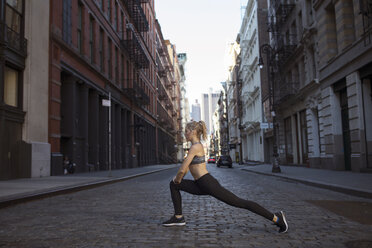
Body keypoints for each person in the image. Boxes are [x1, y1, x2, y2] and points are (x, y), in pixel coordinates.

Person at [162, 121, 288, 233]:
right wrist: (178, 180)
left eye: (187, 131)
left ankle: (277, 218)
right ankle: (178, 217)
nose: (185, 134)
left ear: (193, 131)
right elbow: (185, 169)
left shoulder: (195, 147)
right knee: (173, 185)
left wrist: (178, 179)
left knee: (239, 203)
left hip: (208, 183)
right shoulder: (195, 146)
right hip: (200, 184)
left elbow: (183, 169)